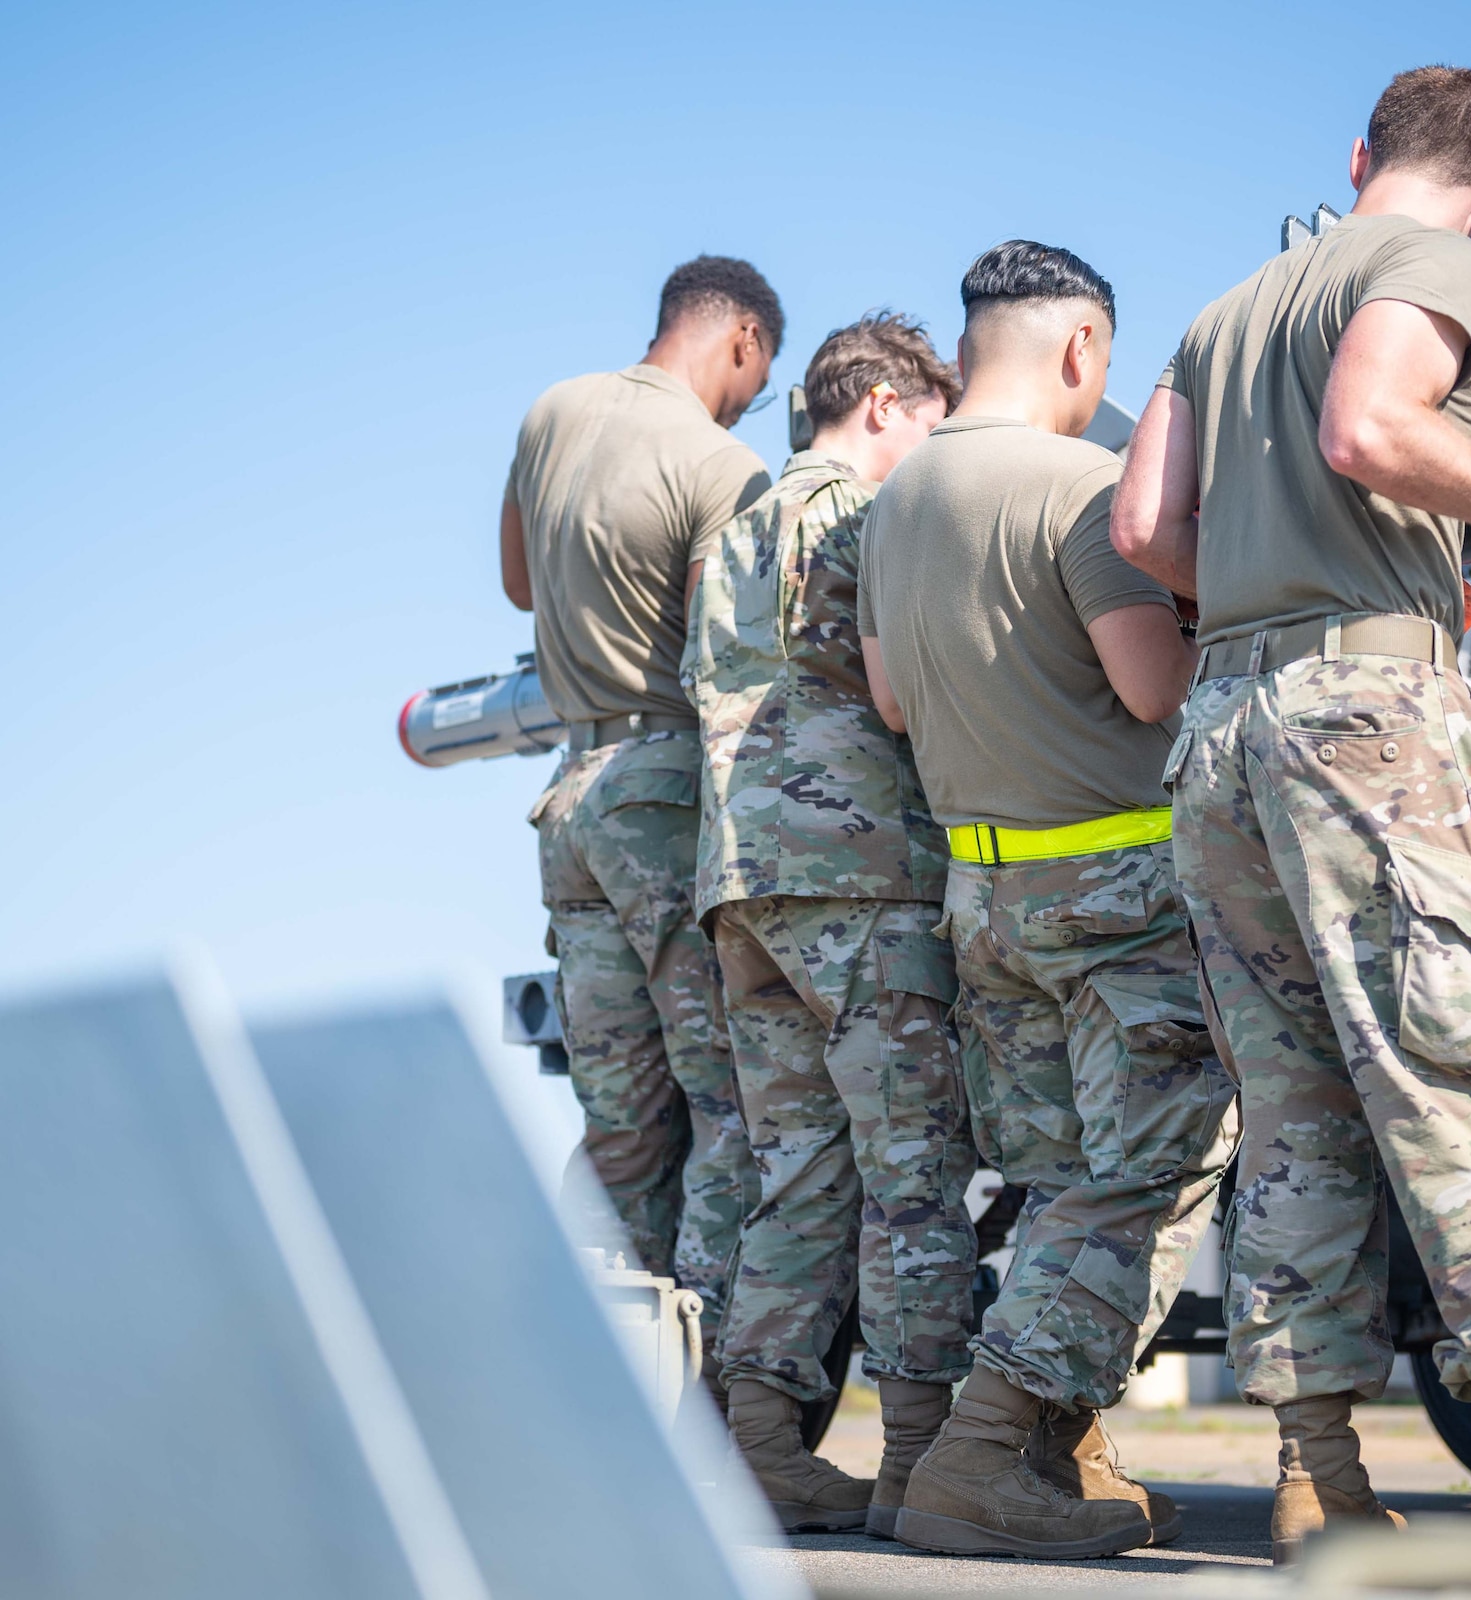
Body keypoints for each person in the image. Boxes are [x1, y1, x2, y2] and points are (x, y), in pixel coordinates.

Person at [1110, 67, 1471, 1553]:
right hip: (1371, 713)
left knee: (1295, 1113)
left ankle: (1318, 1478)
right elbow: (1366, 426)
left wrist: (1268, 595)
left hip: (1223, 728)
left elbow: (1142, 529)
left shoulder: (1226, 313)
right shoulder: (1439, 261)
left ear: (1357, 156)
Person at [857, 242, 1240, 1560]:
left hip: (984, 889)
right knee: (1147, 1176)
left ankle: (1055, 1457)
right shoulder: (1084, 489)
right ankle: (977, 1459)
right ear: (1080, 348)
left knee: (1061, 1181)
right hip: (1116, 890)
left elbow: (896, 705)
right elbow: (1151, 692)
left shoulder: (895, 504)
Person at [681, 313, 974, 1536]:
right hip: (855, 868)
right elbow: (899, 689)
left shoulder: (733, 525)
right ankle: (914, 1457)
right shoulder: (861, 514)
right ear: (881, 404)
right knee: (911, 1170)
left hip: (743, 882)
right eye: (930, 429)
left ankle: (758, 1445)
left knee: (795, 1175)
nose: (932, 456)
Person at [502, 255, 780, 1386]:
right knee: (728, 1108)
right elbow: (734, 655)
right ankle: (708, 1406)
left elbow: (522, 585)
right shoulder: (723, 464)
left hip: (568, 792)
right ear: (743, 345)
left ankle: (563, 1380)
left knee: (618, 1119)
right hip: (667, 787)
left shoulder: (553, 410)